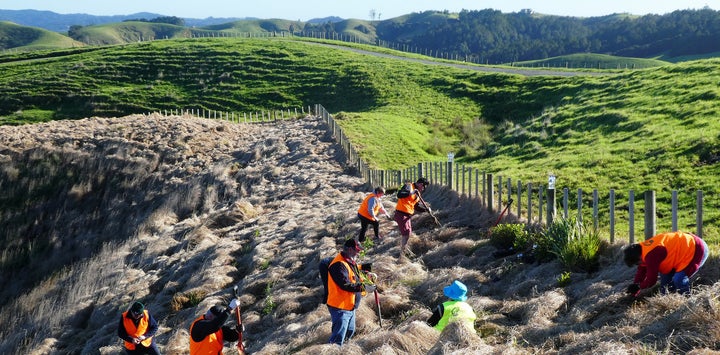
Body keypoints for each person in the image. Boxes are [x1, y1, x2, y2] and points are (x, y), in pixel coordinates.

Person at [623, 231, 709, 296]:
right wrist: (634, 289)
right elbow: (641, 272)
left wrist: (638, 287)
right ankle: (672, 306)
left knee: (679, 279)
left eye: (637, 263)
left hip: (696, 249)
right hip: (680, 252)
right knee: (665, 290)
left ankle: (687, 304)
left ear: (638, 257)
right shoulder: (642, 250)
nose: (639, 265)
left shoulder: (651, 255)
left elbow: (651, 280)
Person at [326, 238, 376, 346]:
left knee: (349, 332)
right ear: (349, 249)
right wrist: (364, 287)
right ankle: (333, 352)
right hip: (340, 307)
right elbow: (346, 285)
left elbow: (352, 271)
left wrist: (364, 269)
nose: (359, 252)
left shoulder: (348, 260)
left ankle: (342, 351)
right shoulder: (338, 265)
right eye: (356, 250)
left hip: (350, 306)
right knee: (337, 339)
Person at [393, 177, 431, 257]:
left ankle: (404, 251)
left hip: (407, 215)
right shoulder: (409, 186)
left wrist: (426, 209)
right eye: (423, 187)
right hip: (401, 213)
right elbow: (399, 195)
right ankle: (402, 254)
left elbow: (416, 206)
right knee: (406, 234)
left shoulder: (418, 194)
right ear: (420, 184)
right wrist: (411, 193)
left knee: (408, 233)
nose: (423, 189)